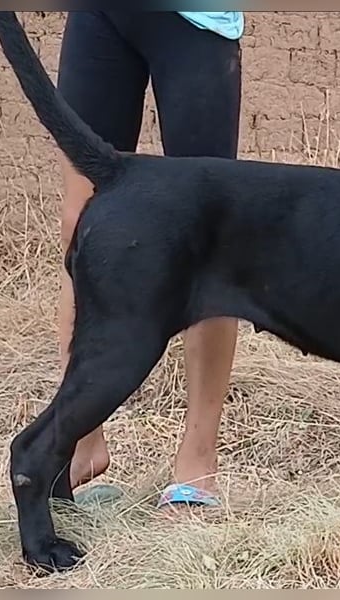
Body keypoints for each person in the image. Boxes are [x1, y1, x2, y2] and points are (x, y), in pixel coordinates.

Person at [55, 11, 244, 508]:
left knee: (211, 240)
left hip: (195, 18)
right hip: (101, 13)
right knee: (80, 228)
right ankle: (80, 439)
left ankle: (197, 465)